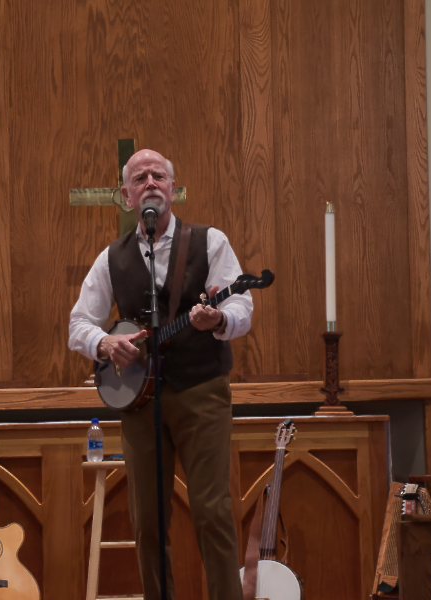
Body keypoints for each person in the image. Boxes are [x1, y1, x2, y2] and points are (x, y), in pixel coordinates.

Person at [68, 149, 253, 600]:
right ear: (127, 196)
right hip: (139, 402)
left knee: (213, 512)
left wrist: (221, 321)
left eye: (158, 175)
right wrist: (106, 343)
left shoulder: (211, 242)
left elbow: (241, 305)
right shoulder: (111, 258)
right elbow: (78, 325)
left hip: (202, 391)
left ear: (172, 188)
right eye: (139, 177)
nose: (150, 182)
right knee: (148, 521)